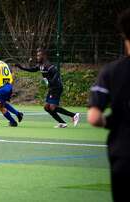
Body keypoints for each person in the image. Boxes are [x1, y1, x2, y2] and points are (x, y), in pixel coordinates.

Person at [88, 8, 130, 202]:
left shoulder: (111, 71)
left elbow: (94, 118)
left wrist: (113, 121)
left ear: (123, 34)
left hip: (123, 155)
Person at [15, 49, 80, 128]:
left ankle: (74, 115)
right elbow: (32, 70)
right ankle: (62, 123)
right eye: (37, 55)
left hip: (57, 87)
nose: (37, 57)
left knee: (52, 107)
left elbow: (56, 73)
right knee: (46, 107)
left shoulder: (48, 65)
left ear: (43, 56)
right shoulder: (40, 65)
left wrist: (52, 81)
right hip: (52, 88)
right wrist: (21, 68)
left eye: (39, 55)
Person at [0, 50, 23, 127]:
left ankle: (13, 122)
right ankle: (18, 114)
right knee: (2, 103)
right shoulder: (4, 63)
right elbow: (10, 73)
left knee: (0, 106)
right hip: (8, 86)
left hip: (2, 88)